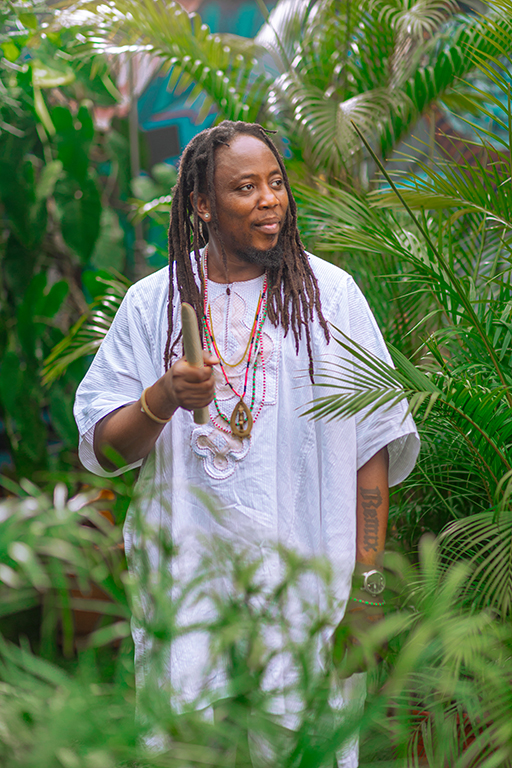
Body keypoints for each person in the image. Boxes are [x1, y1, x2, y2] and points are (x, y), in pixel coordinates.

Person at [74, 120, 419, 766]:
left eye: (276, 183)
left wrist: (367, 594)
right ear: (202, 204)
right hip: (187, 610)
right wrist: (163, 398)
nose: (270, 200)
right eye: (245, 187)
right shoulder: (153, 304)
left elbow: (371, 448)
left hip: (309, 606)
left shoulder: (331, 298)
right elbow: (106, 450)